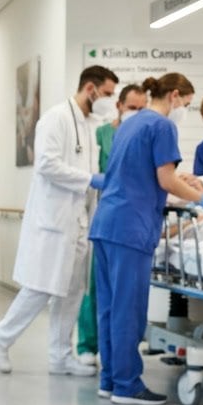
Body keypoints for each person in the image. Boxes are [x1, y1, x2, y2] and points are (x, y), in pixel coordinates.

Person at [89, 73, 203, 405]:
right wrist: (199, 198)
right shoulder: (162, 127)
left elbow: (135, 175)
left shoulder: (128, 124)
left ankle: (109, 380)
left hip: (106, 223)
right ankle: (127, 386)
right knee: (128, 310)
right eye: (188, 105)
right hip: (130, 229)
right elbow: (165, 179)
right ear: (175, 96)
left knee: (108, 308)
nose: (184, 111)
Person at [0, 66, 120, 377]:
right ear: (91, 88)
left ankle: (60, 356)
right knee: (42, 288)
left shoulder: (89, 124)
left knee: (73, 291)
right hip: (54, 221)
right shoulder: (55, 118)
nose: (110, 100)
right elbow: (46, 165)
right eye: (109, 93)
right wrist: (90, 178)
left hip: (80, 221)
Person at [76, 83, 146, 365]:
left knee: (125, 291)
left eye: (143, 109)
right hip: (105, 212)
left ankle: (118, 351)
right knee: (95, 284)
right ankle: (87, 344)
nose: (138, 114)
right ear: (119, 106)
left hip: (133, 218)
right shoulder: (102, 134)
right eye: (132, 108)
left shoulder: (146, 134)